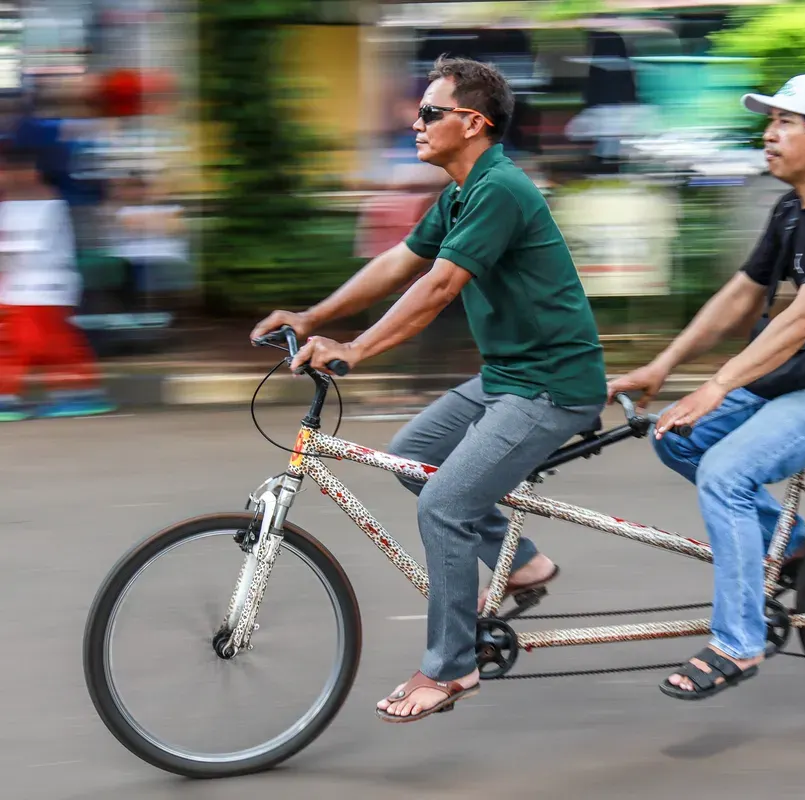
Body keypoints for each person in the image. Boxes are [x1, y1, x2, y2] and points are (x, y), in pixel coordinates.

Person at [250, 56, 608, 723]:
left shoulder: (500, 188)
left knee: (443, 503)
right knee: (415, 454)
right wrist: (313, 318)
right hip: (506, 378)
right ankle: (522, 562)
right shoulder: (462, 191)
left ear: (472, 122)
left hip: (552, 387)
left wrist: (356, 349)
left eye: (428, 113)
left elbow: (441, 286)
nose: (414, 123)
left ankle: (451, 666)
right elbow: (399, 263)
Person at [607, 74, 805, 700]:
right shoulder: (790, 211)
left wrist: (717, 385)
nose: (768, 135)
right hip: (802, 375)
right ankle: (794, 544)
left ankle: (739, 643)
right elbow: (741, 296)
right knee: (675, 436)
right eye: (768, 122)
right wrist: (665, 366)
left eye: (785, 124)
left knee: (725, 473)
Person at [0, 145, 116, 421]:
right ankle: (78, 393)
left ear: (28, 172)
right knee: (45, 342)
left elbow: (17, 247)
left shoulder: (41, 202)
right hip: (25, 288)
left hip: (38, 288)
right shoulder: (19, 202)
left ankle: (75, 393)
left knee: (29, 343)